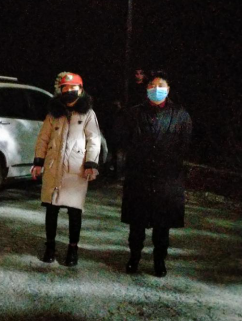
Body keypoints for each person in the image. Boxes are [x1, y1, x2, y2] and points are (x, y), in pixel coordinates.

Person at [118, 70, 192, 277]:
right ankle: (134, 257)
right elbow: (124, 140)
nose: (156, 89)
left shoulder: (180, 115)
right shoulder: (134, 113)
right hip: (139, 176)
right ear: (146, 88)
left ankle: (159, 261)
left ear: (168, 89)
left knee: (162, 225)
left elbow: (184, 145)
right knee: (137, 223)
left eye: (161, 85)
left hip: (165, 179)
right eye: (152, 85)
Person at [31, 73, 101, 266]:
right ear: (60, 90)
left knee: (75, 211)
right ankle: (50, 246)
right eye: (65, 88)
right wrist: (38, 162)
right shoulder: (53, 114)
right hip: (53, 167)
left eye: (73, 88)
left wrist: (91, 164)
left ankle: (72, 248)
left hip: (75, 169)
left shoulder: (88, 114)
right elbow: (43, 139)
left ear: (81, 89)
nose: (69, 91)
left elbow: (94, 140)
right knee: (51, 209)